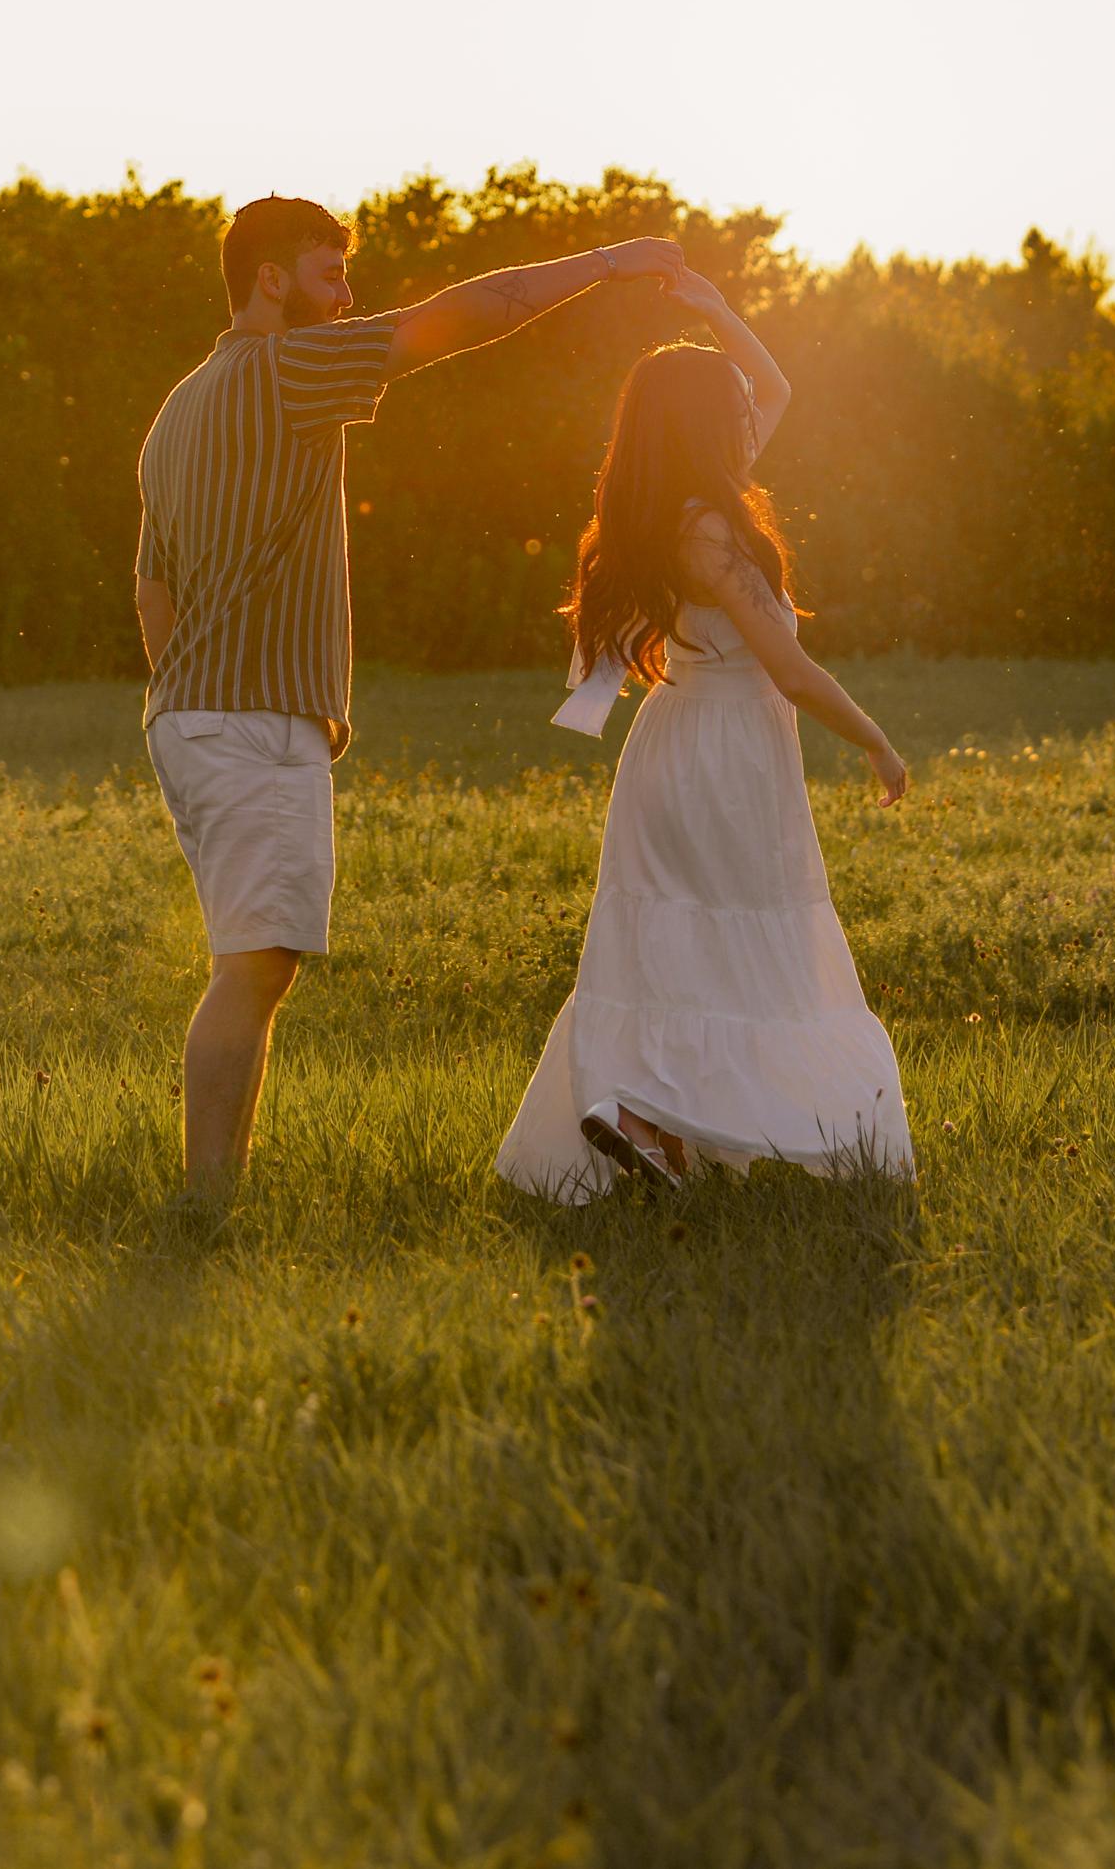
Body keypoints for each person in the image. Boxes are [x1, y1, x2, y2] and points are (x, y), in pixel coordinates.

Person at [137, 195, 685, 1207]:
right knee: (254, 966)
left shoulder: (179, 406)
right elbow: (476, 312)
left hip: (193, 716)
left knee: (256, 962)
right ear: (269, 279)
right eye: (329, 274)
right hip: (252, 721)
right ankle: (205, 1206)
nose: (347, 296)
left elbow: (152, 587)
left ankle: (210, 1199)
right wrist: (609, 262)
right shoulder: (288, 370)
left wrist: (188, 700)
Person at [495, 269, 914, 1200]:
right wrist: (877, 739)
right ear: (703, 425)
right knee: (742, 935)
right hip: (728, 752)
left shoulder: (658, 507)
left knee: (672, 940)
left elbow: (779, 389)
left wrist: (715, 314)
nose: (746, 415)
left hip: (672, 743)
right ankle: (651, 1108)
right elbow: (791, 672)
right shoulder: (711, 529)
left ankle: (648, 1114)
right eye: (728, 406)